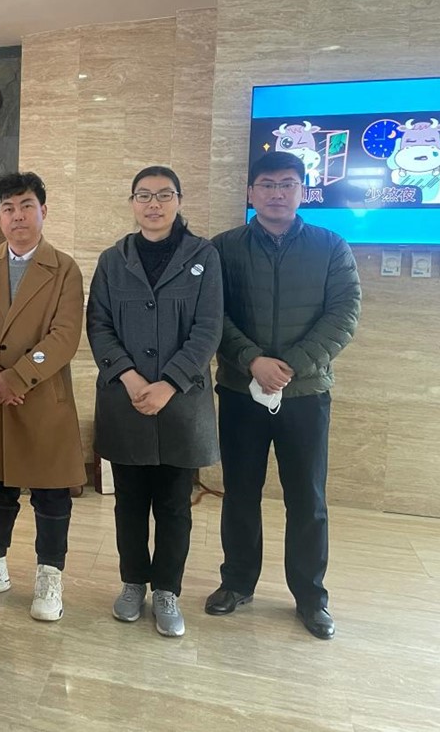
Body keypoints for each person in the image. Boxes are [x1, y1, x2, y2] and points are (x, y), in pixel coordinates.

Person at [206, 151, 360, 640]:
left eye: (288, 183)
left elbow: (344, 314)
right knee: (240, 493)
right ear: (251, 192)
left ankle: (311, 598)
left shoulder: (331, 246)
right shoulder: (223, 248)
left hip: (306, 394)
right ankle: (237, 583)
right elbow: (212, 315)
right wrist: (253, 360)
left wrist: (290, 366)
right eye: (267, 184)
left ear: (302, 191)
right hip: (240, 391)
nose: (277, 193)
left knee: (307, 499)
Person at [86, 166, 223, 637]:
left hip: (181, 402)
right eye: (143, 195)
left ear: (179, 200)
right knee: (128, 502)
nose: (153, 204)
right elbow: (98, 324)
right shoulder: (113, 260)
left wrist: (168, 384)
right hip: (125, 400)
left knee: (174, 504)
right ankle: (132, 583)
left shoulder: (203, 256)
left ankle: (166, 590)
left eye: (164, 195)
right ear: (132, 203)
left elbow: (208, 328)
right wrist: (128, 376)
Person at [0, 172, 86, 622]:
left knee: (51, 495)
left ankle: (50, 574)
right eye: (8, 209)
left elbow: (65, 335)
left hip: (42, 397)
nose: (18, 216)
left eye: (26, 206)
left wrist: (18, 377)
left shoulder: (64, 268)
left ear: (43, 211)